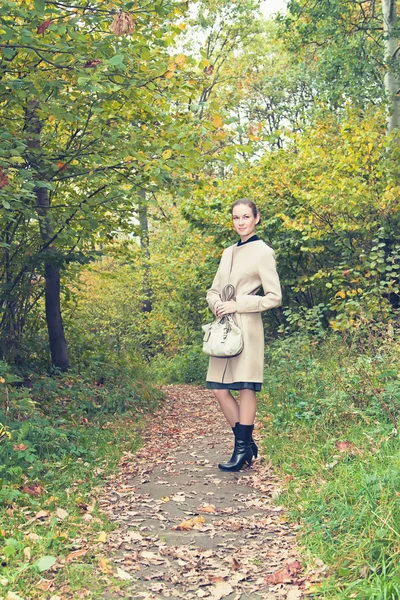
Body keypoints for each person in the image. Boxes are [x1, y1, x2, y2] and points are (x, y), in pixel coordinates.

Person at [206, 198, 282, 472]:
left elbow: (274, 297)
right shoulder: (227, 252)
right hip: (224, 327)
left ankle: (240, 451)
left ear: (256, 218)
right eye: (236, 218)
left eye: (246, 217)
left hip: (247, 327)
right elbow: (213, 290)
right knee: (218, 388)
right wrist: (216, 304)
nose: (241, 222)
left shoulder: (263, 252)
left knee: (246, 386)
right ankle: (247, 445)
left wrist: (239, 304)